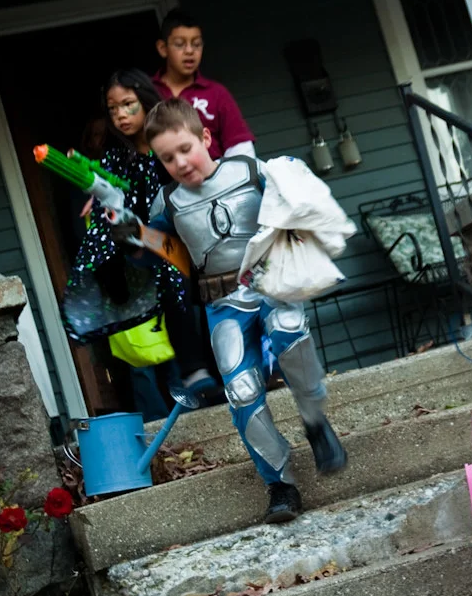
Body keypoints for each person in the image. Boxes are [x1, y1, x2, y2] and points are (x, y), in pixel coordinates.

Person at [113, 98, 348, 523]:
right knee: (240, 390)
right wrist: (133, 236)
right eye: (167, 158)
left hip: (271, 283)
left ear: (205, 137)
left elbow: (297, 205)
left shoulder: (251, 171)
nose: (180, 163)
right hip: (222, 304)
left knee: (290, 333)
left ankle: (315, 422)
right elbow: (164, 253)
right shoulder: (168, 202)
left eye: (185, 149)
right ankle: (280, 484)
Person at [63, 69, 216, 408]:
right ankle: (185, 397)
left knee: (205, 322)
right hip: (145, 258)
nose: (120, 115)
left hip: (194, 246)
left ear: (145, 100)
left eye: (128, 104)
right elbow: (107, 216)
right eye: (112, 108)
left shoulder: (172, 147)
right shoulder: (113, 160)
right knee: (151, 349)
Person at [152, 8, 256, 160]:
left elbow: (240, 148)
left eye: (196, 44)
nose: (189, 51)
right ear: (163, 48)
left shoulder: (216, 93)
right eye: (180, 44)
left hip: (214, 172)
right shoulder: (148, 91)